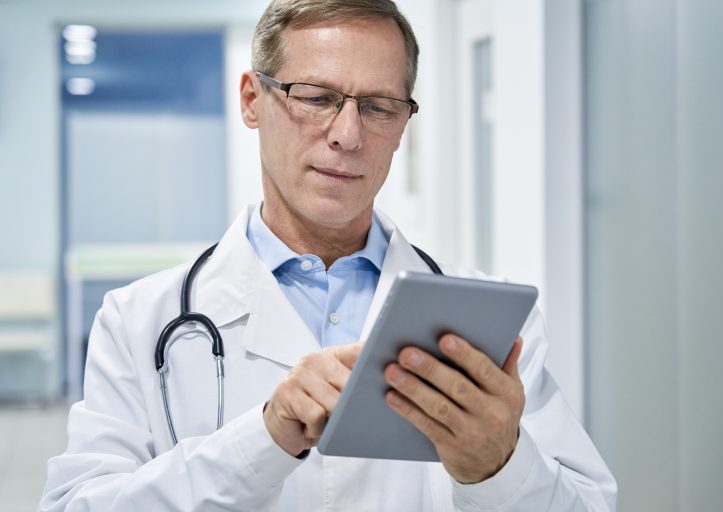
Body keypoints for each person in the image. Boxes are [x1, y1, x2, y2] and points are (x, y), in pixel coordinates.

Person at [40, 0, 617, 510]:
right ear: (252, 100)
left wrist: (499, 469)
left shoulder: (493, 330)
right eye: (317, 98)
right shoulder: (139, 321)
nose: (347, 134)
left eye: (379, 107)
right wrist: (262, 439)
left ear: (403, 123)